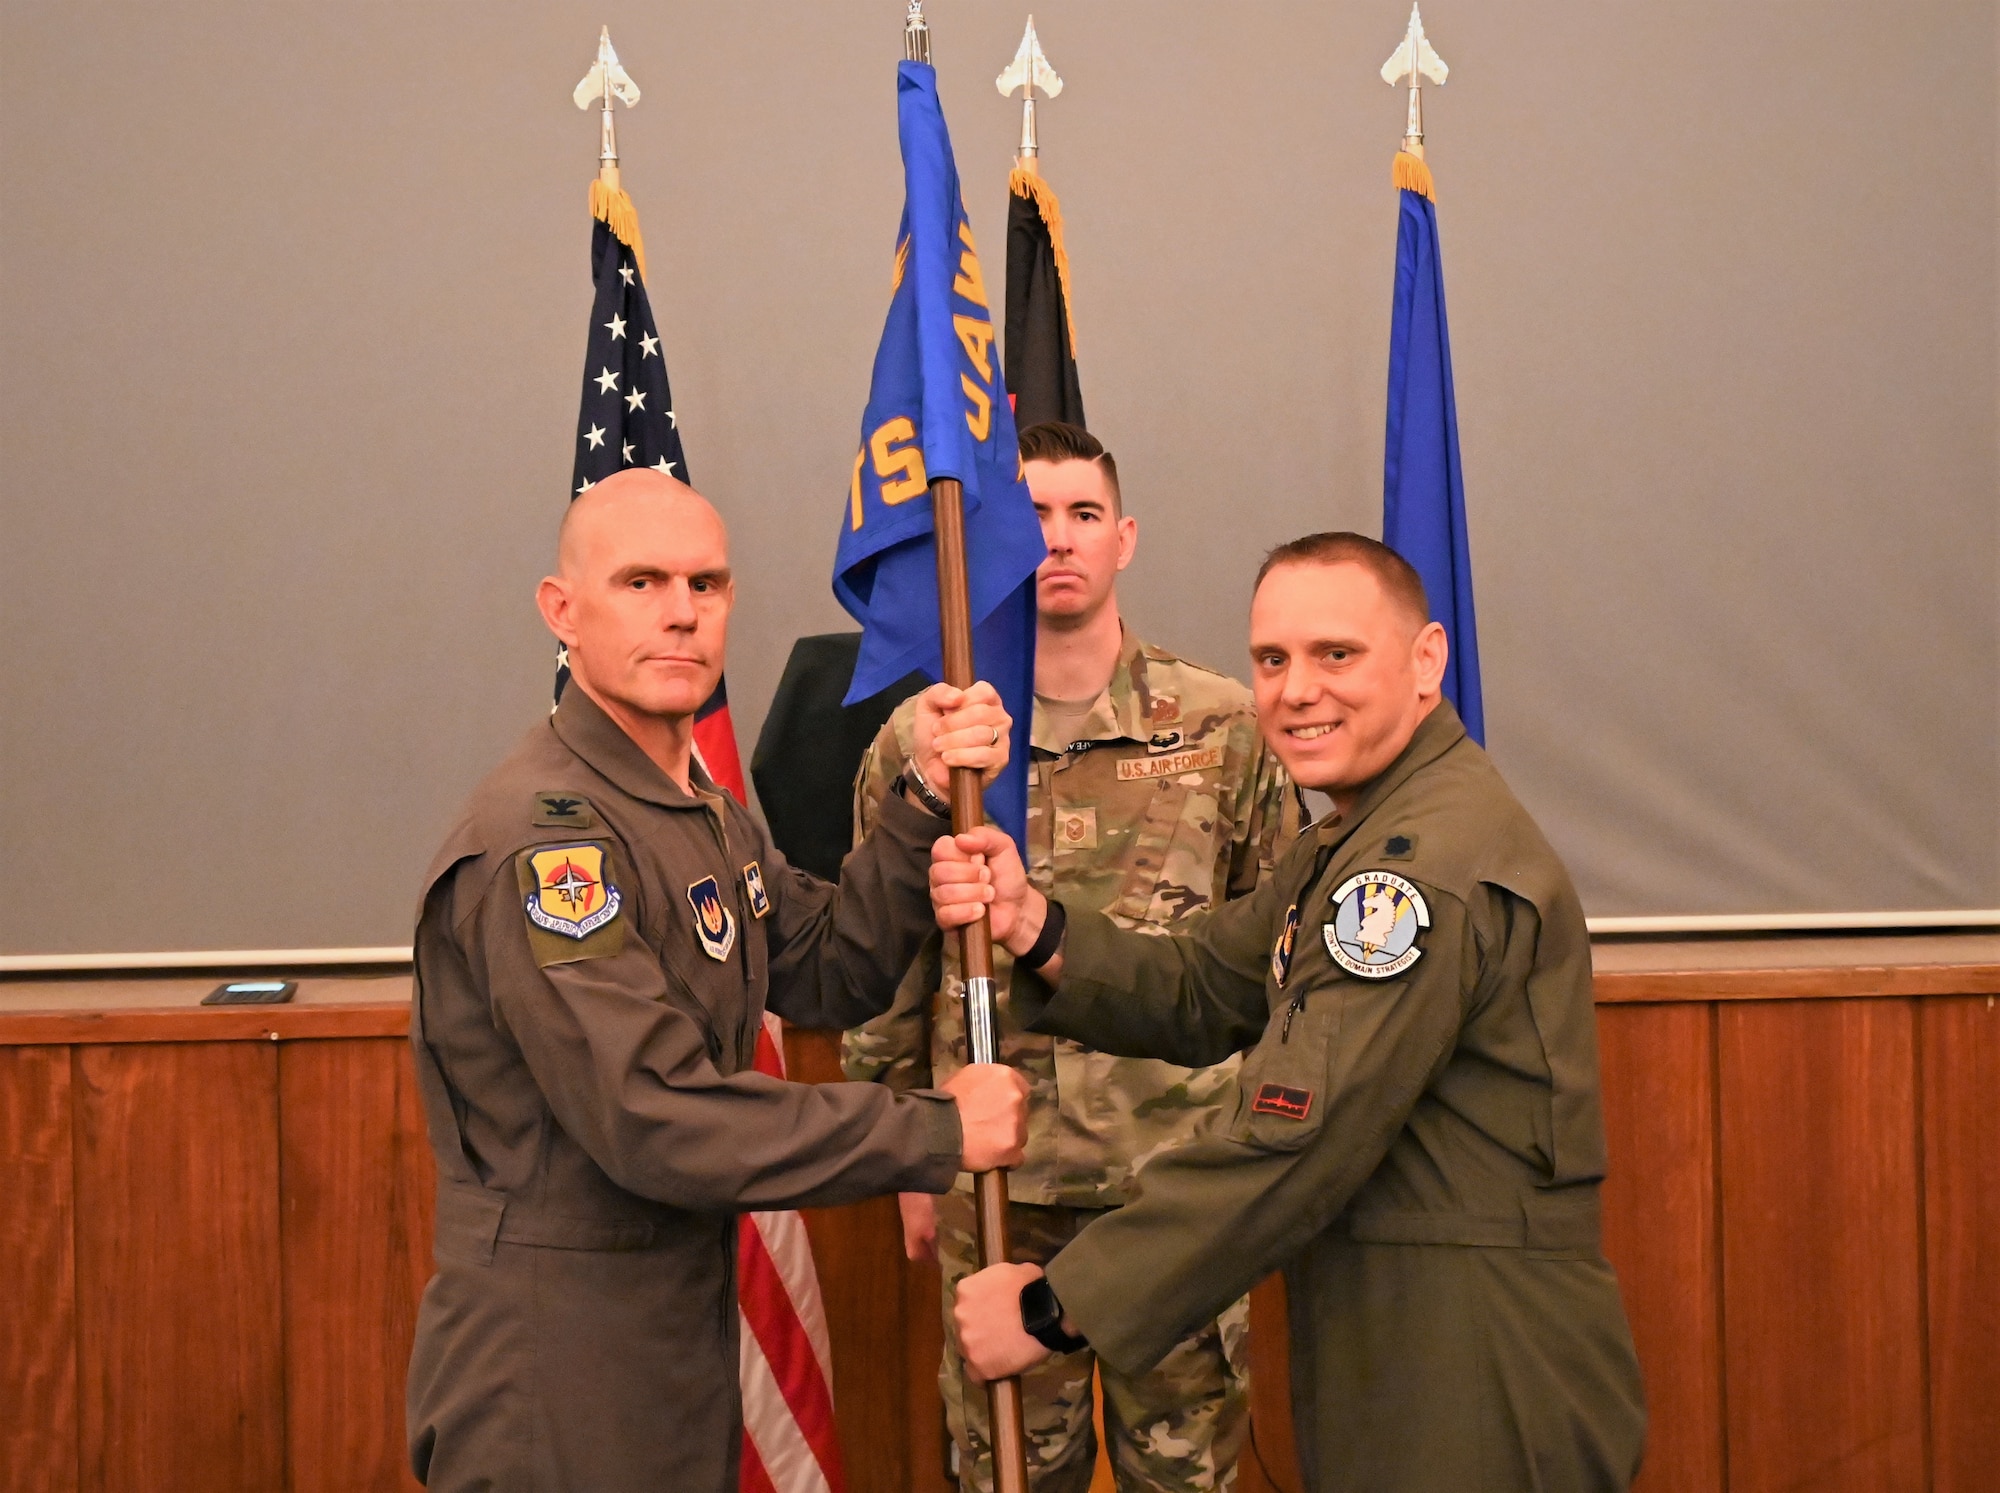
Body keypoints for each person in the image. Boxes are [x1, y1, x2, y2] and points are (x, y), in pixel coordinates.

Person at [936, 533, 1648, 1492]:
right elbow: (1203, 985)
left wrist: (1056, 1307)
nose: (1296, 689)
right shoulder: (1354, 837)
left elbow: (1295, 1137)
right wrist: (1032, 922)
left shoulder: (1414, 869)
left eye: (1336, 655)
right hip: (1401, 1332)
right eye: (1272, 659)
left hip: (1471, 1354)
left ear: (1427, 660)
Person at [404, 468, 1030, 1493]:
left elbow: (828, 969)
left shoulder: (692, 803)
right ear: (561, 611)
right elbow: (655, 1114)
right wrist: (934, 1130)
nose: (682, 611)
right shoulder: (550, 838)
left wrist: (916, 796)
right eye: (641, 581)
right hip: (560, 1350)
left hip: (666, 1325)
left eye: (707, 582)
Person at [843, 421, 1301, 1493]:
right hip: (996, 1172)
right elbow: (883, 959)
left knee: (1182, 1475)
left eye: (1082, 514)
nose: (1057, 539)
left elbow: (1281, 956)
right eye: (1032, 515)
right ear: (997, 537)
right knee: (1005, 1474)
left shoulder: (1223, 727)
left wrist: (1265, 1153)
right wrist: (898, 1147)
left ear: (1124, 536)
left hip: (1178, 1176)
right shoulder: (932, 737)